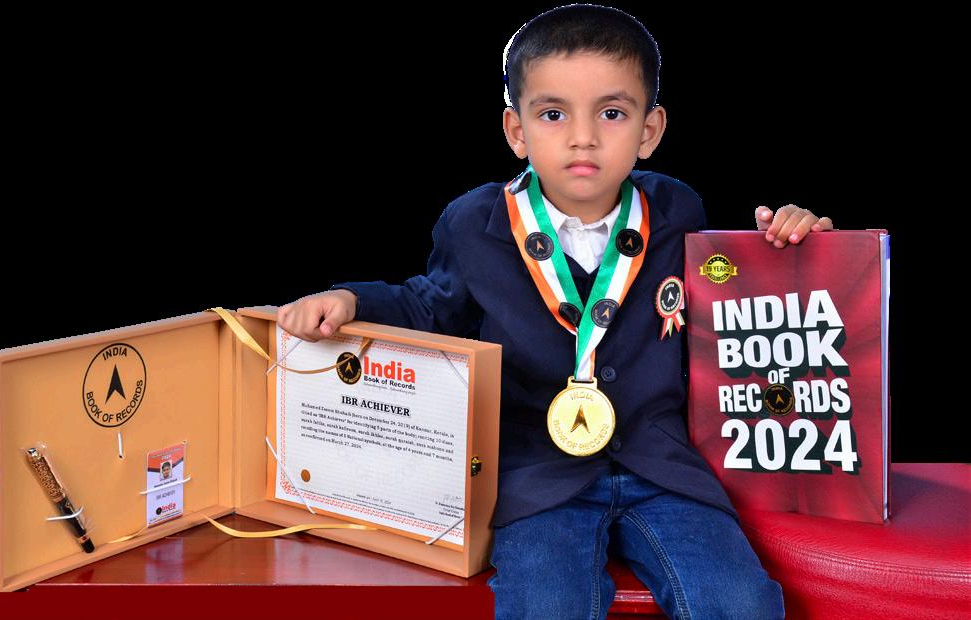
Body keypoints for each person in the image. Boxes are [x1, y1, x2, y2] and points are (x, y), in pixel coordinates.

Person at [277, 4, 833, 618]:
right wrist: (351, 299)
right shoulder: (475, 223)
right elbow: (427, 306)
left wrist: (796, 250)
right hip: (536, 477)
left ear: (650, 130)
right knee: (544, 604)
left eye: (612, 113)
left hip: (664, 466)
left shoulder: (679, 210)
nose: (583, 137)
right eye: (553, 114)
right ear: (517, 130)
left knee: (741, 601)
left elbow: (739, 302)